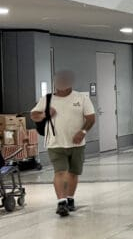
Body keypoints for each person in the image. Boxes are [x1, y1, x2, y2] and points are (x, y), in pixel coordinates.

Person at [30, 70, 95, 217]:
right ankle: (61, 202)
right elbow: (34, 114)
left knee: (73, 173)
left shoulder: (81, 98)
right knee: (60, 172)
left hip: (77, 144)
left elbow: (91, 118)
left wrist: (82, 132)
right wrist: (45, 114)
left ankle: (70, 198)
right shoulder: (46, 99)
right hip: (55, 143)